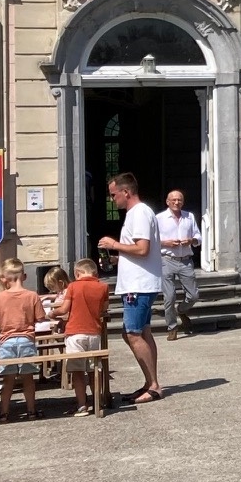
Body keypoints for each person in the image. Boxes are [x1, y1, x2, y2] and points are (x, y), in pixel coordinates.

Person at [97, 171, 163, 403]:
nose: (112, 199)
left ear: (126, 192)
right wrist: (118, 258)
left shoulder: (139, 213)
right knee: (142, 331)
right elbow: (139, 251)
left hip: (139, 284)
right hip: (139, 282)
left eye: (114, 195)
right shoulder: (138, 213)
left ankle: (154, 384)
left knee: (132, 333)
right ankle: (150, 382)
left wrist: (114, 244)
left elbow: (143, 248)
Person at [0, 260, 44, 422]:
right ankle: (31, 411)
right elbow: (40, 317)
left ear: (4, 279)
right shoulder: (32, 296)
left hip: (7, 341)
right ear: (24, 276)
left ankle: (4, 413)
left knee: (8, 379)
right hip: (26, 339)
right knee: (28, 378)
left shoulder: (0, 297)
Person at [59, 258, 110, 416]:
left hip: (75, 333)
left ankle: (82, 405)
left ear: (77, 273)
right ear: (95, 272)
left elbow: (64, 309)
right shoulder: (103, 287)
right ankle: (97, 401)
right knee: (94, 369)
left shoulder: (73, 286)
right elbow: (104, 309)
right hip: (94, 333)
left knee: (77, 371)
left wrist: (52, 313)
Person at [155, 188, 203, 339]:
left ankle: (181, 310)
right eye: (173, 200)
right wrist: (166, 243)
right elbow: (150, 240)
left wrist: (191, 240)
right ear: (167, 202)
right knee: (169, 296)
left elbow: (198, 237)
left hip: (185, 261)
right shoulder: (159, 218)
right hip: (166, 260)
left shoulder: (189, 217)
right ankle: (172, 326)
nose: (177, 202)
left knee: (194, 295)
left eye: (179, 200)